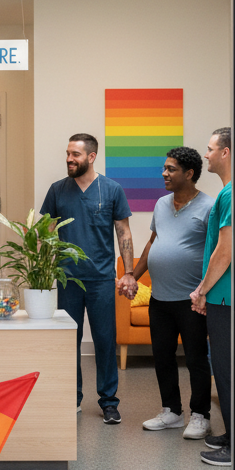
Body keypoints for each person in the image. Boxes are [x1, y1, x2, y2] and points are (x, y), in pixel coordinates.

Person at [40, 133, 137, 424]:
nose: (69, 159)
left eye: (76, 155)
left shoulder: (111, 189)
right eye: (68, 153)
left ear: (91, 157)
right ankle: (73, 397)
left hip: (101, 280)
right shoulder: (58, 190)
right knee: (69, 340)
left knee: (105, 341)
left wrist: (129, 273)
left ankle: (108, 402)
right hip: (67, 279)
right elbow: (45, 232)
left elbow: (124, 232)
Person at [134, 147, 214, 440]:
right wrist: (133, 275)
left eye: (171, 169)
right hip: (160, 299)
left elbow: (219, 252)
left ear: (189, 174)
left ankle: (200, 415)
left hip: (191, 300)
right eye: (164, 168)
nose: (164, 174)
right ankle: (172, 412)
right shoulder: (161, 204)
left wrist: (205, 290)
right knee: (162, 357)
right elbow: (152, 243)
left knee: (195, 359)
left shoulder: (209, 206)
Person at [191, 127, 233, 467]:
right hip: (221, 298)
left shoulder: (232, 193)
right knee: (223, 368)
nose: (206, 155)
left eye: (210, 149)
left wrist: (202, 289)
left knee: (226, 370)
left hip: (226, 299)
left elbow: (225, 251)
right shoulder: (228, 192)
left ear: (226, 152)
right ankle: (233, 434)